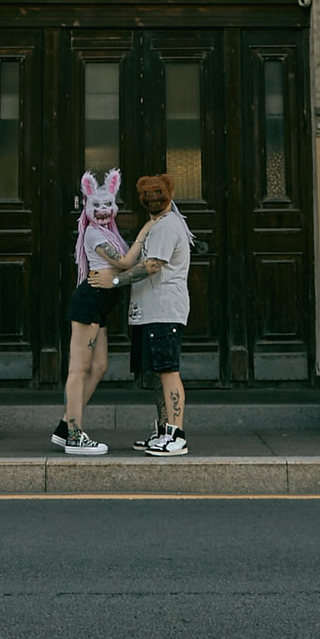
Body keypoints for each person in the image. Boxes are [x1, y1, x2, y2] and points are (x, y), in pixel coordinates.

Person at [90, 172, 193, 456]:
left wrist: (113, 281)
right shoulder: (157, 225)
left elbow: (151, 266)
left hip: (164, 310)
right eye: (147, 195)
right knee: (158, 374)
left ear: (168, 195)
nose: (152, 199)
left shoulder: (167, 227)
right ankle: (163, 430)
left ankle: (176, 434)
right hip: (151, 311)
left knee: (168, 371)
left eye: (158, 194)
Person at [53, 170, 126, 455]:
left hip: (101, 305)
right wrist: (148, 240)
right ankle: (74, 433)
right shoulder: (95, 233)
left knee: (99, 367)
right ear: (88, 206)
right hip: (89, 301)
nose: (103, 210)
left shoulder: (111, 233)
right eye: (97, 206)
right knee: (79, 368)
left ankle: (64, 426)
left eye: (108, 204)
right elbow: (123, 261)